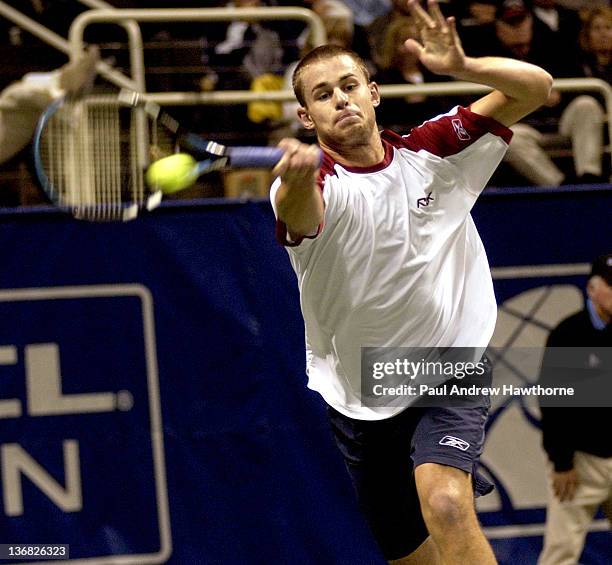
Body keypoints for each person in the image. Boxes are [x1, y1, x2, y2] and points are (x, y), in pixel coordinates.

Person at [269, 0, 552, 562]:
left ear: (373, 93)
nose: (340, 99)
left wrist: (466, 68)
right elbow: (302, 215)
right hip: (359, 389)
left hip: (448, 361)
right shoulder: (308, 185)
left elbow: (536, 88)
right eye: (322, 95)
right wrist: (297, 179)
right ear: (306, 117)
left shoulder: (433, 152)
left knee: (447, 503)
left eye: (349, 85)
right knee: (409, 553)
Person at [537, 254, 612, 565]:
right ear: (591, 290)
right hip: (580, 465)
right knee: (561, 552)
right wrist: (562, 461)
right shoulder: (569, 335)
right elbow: (554, 404)